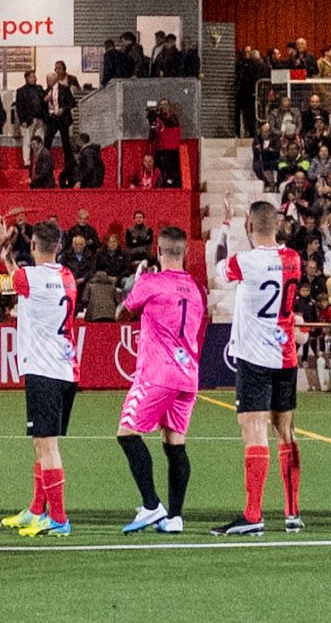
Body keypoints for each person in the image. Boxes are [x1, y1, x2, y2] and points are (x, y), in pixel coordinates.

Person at [212, 196, 306, 536]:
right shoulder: (293, 259)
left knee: (253, 430)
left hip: (255, 358)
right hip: (286, 356)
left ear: (249, 226)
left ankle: (253, 515)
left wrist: (225, 227)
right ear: (278, 225)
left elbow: (219, 267)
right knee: (286, 432)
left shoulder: (245, 262)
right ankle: (292, 512)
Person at [113, 220, 205, 534]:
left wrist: (135, 284)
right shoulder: (195, 288)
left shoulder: (150, 282)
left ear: (158, 251)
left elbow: (121, 314)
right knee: (174, 443)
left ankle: (152, 506)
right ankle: (176, 517)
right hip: (188, 374)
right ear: (185, 252)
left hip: (158, 372)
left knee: (127, 434)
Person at [0, 222, 83, 535]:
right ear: (58, 246)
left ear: (32, 245)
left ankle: (58, 519)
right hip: (65, 369)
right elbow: (26, 283)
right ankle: (36, 509)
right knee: (40, 442)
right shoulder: (66, 276)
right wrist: (8, 260)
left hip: (44, 372)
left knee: (47, 446)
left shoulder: (29, 278)